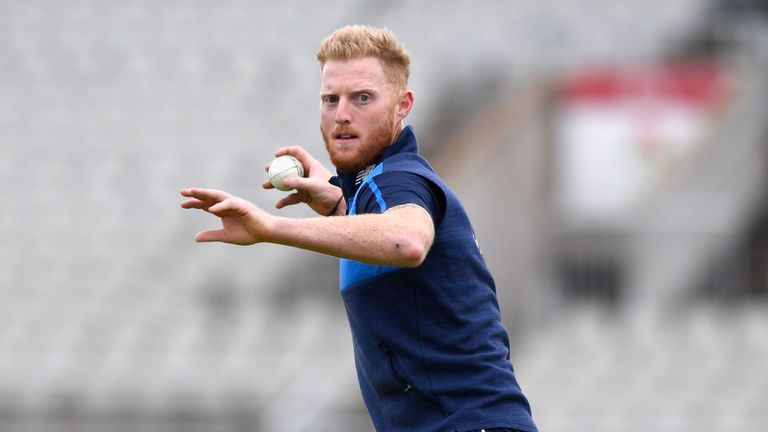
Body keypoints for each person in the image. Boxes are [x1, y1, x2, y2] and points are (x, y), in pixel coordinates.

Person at [180, 25, 537, 432]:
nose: (342, 114)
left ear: (403, 105)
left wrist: (270, 227)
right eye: (330, 99)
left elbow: (406, 241)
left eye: (362, 98)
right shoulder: (374, 189)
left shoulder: (398, 179)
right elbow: (392, 242)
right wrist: (339, 205)